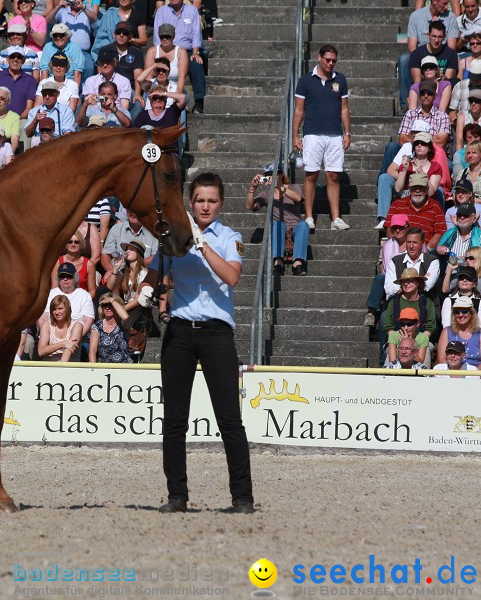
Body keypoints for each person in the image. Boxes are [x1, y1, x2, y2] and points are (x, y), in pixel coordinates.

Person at [158, 172, 254, 514]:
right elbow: (159, 274)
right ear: (190, 201)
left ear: (221, 203)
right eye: (199, 200)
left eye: (212, 200)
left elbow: (232, 276)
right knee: (174, 420)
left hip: (216, 333)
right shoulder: (175, 235)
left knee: (229, 419)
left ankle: (242, 497)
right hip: (181, 330)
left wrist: (202, 244)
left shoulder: (230, 237)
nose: (205, 206)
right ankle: (177, 496)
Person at [292, 45, 351, 231]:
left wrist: (347, 132)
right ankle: (308, 217)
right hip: (312, 134)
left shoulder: (340, 80)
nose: (330, 63)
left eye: (334, 60)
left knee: (333, 175)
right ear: (319, 58)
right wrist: (295, 135)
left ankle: (336, 219)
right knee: (311, 174)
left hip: (335, 134)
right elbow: (299, 110)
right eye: (327, 59)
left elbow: (344, 108)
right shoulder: (305, 81)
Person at [247, 169, 308, 275]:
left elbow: (299, 198)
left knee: (304, 225)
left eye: (274, 174)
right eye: (269, 175)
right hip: (279, 227)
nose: (272, 177)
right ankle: (278, 263)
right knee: (278, 224)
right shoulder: (266, 194)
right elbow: (250, 206)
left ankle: (297, 263)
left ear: (281, 175)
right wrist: (252, 188)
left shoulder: (293, 187)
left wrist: (280, 187)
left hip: (295, 226)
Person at [153, 0, 204, 112]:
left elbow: (196, 33)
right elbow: (157, 36)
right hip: (166, 50)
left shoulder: (192, 11)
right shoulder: (161, 11)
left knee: (196, 63)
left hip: (188, 50)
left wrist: (196, 52)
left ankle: (199, 103)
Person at [88, 292, 132, 363]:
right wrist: (94, 370)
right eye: (104, 305)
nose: (107, 308)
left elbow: (125, 317)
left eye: (110, 305)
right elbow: (92, 350)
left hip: (124, 367)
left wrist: (112, 300)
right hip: (104, 368)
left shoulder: (122, 323)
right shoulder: (97, 326)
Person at [37, 294, 82, 362]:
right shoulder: (46, 325)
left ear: (67, 309)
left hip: (69, 367)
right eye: (54, 309)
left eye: (60, 309)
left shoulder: (77, 325)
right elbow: (41, 351)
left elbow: (69, 349)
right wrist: (63, 343)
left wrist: (60, 369)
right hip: (49, 365)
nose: (57, 312)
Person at [51, 231, 95, 296]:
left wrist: (84, 302)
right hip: (62, 300)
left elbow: (92, 291)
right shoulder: (57, 262)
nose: (73, 244)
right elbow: (54, 288)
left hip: (81, 300)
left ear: (81, 244)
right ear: (66, 244)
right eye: (70, 242)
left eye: (76, 242)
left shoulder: (89, 265)